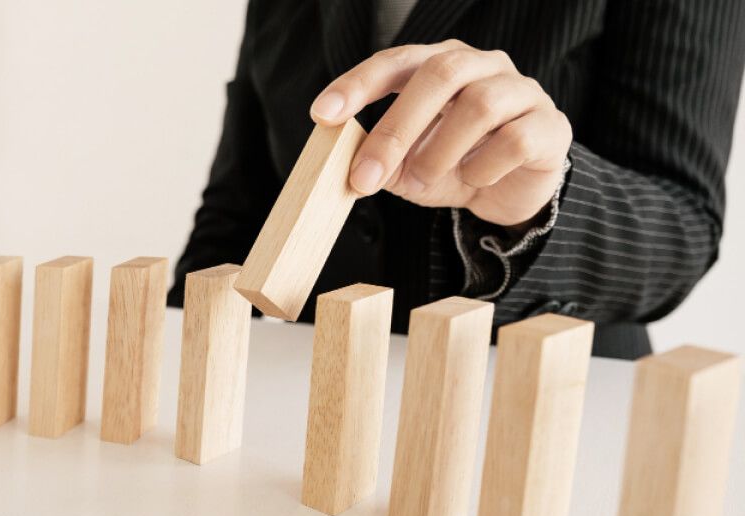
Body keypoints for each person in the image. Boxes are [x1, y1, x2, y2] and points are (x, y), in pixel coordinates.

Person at [166, 0, 745, 359]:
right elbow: (239, 203)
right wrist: (173, 357)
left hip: (542, 415)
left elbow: (683, 223)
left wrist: (537, 207)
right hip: (309, 405)